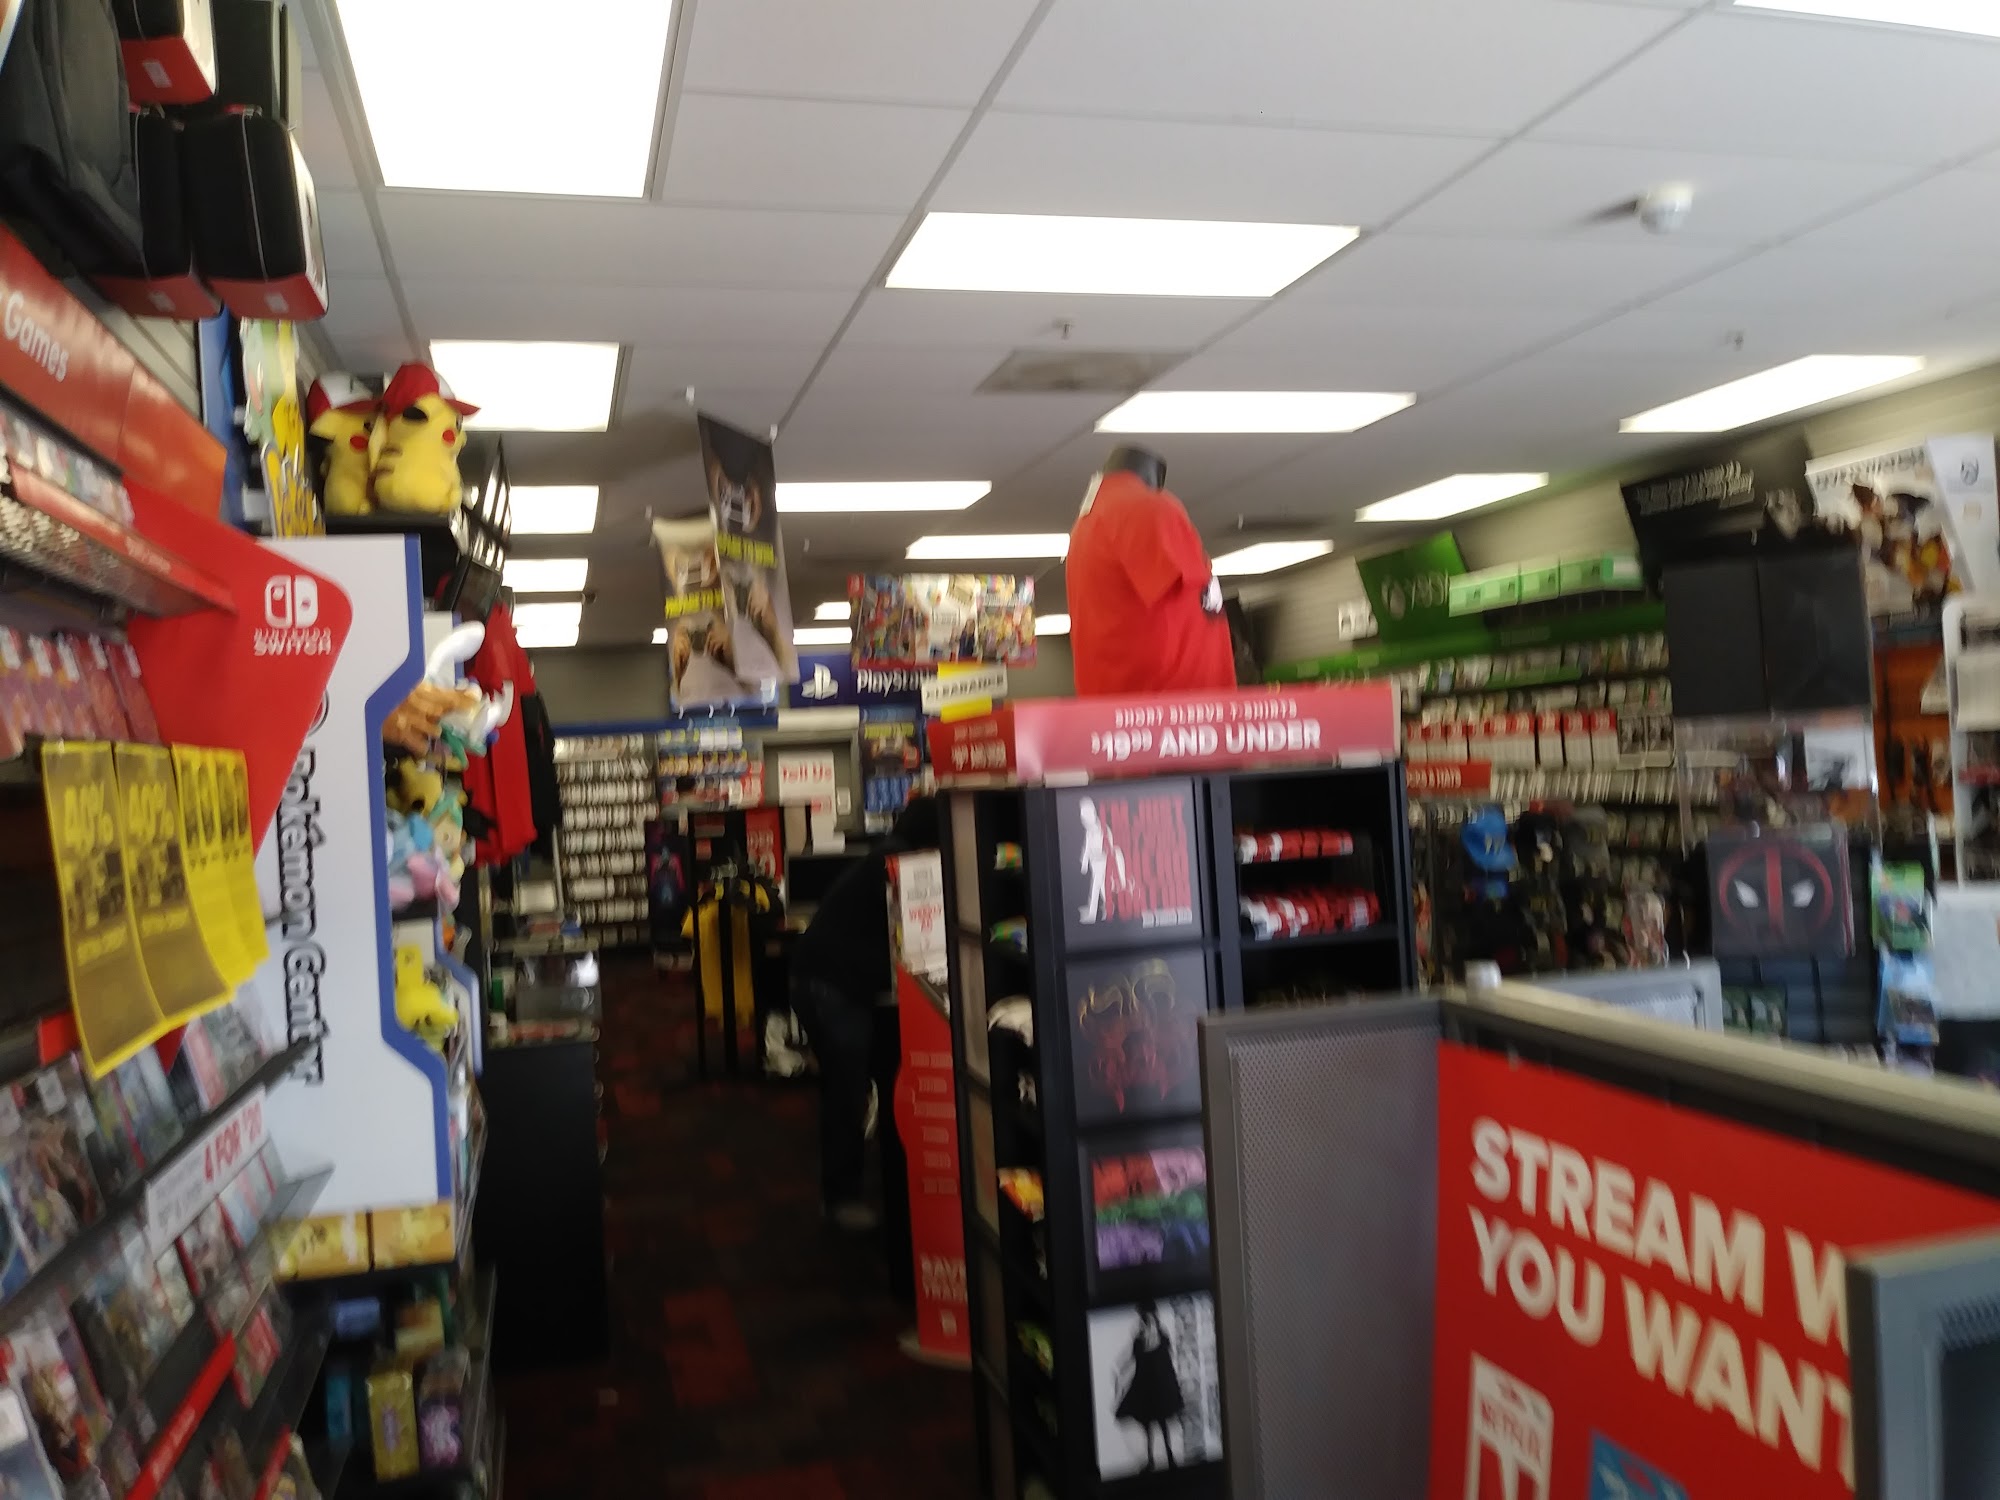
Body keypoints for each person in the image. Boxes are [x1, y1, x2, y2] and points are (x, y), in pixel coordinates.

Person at [788, 795, 940, 1230]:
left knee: (851, 1088)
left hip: (824, 979)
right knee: (847, 1091)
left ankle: (849, 1188)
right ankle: (841, 1199)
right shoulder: (900, 865)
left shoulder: (888, 855)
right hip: (833, 986)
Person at [1113, 1300, 1185, 1471]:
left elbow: (1167, 1360)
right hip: (1145, 1385)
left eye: (1145, 1315)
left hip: (1158, 1385)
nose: (1144, 1318)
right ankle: (1152, 1459)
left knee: (1161, 1422)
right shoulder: (1140, 1336)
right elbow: (1135, 1357)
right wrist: (1121, 1369)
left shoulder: (1160, 1335)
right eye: (1142, 1315)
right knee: (1148, 1424)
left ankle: (1169, 1456)